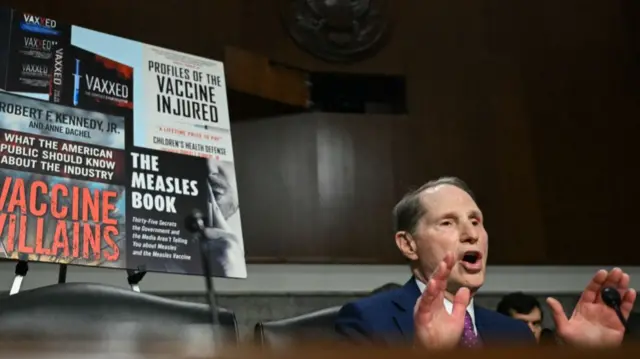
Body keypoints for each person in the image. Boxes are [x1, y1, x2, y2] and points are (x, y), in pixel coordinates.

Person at [334, 177, 636, 348]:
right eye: (448, 223)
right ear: (408, 244)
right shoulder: (367, 322)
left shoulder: (513, 334)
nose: (471, 234)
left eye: (476, 221)